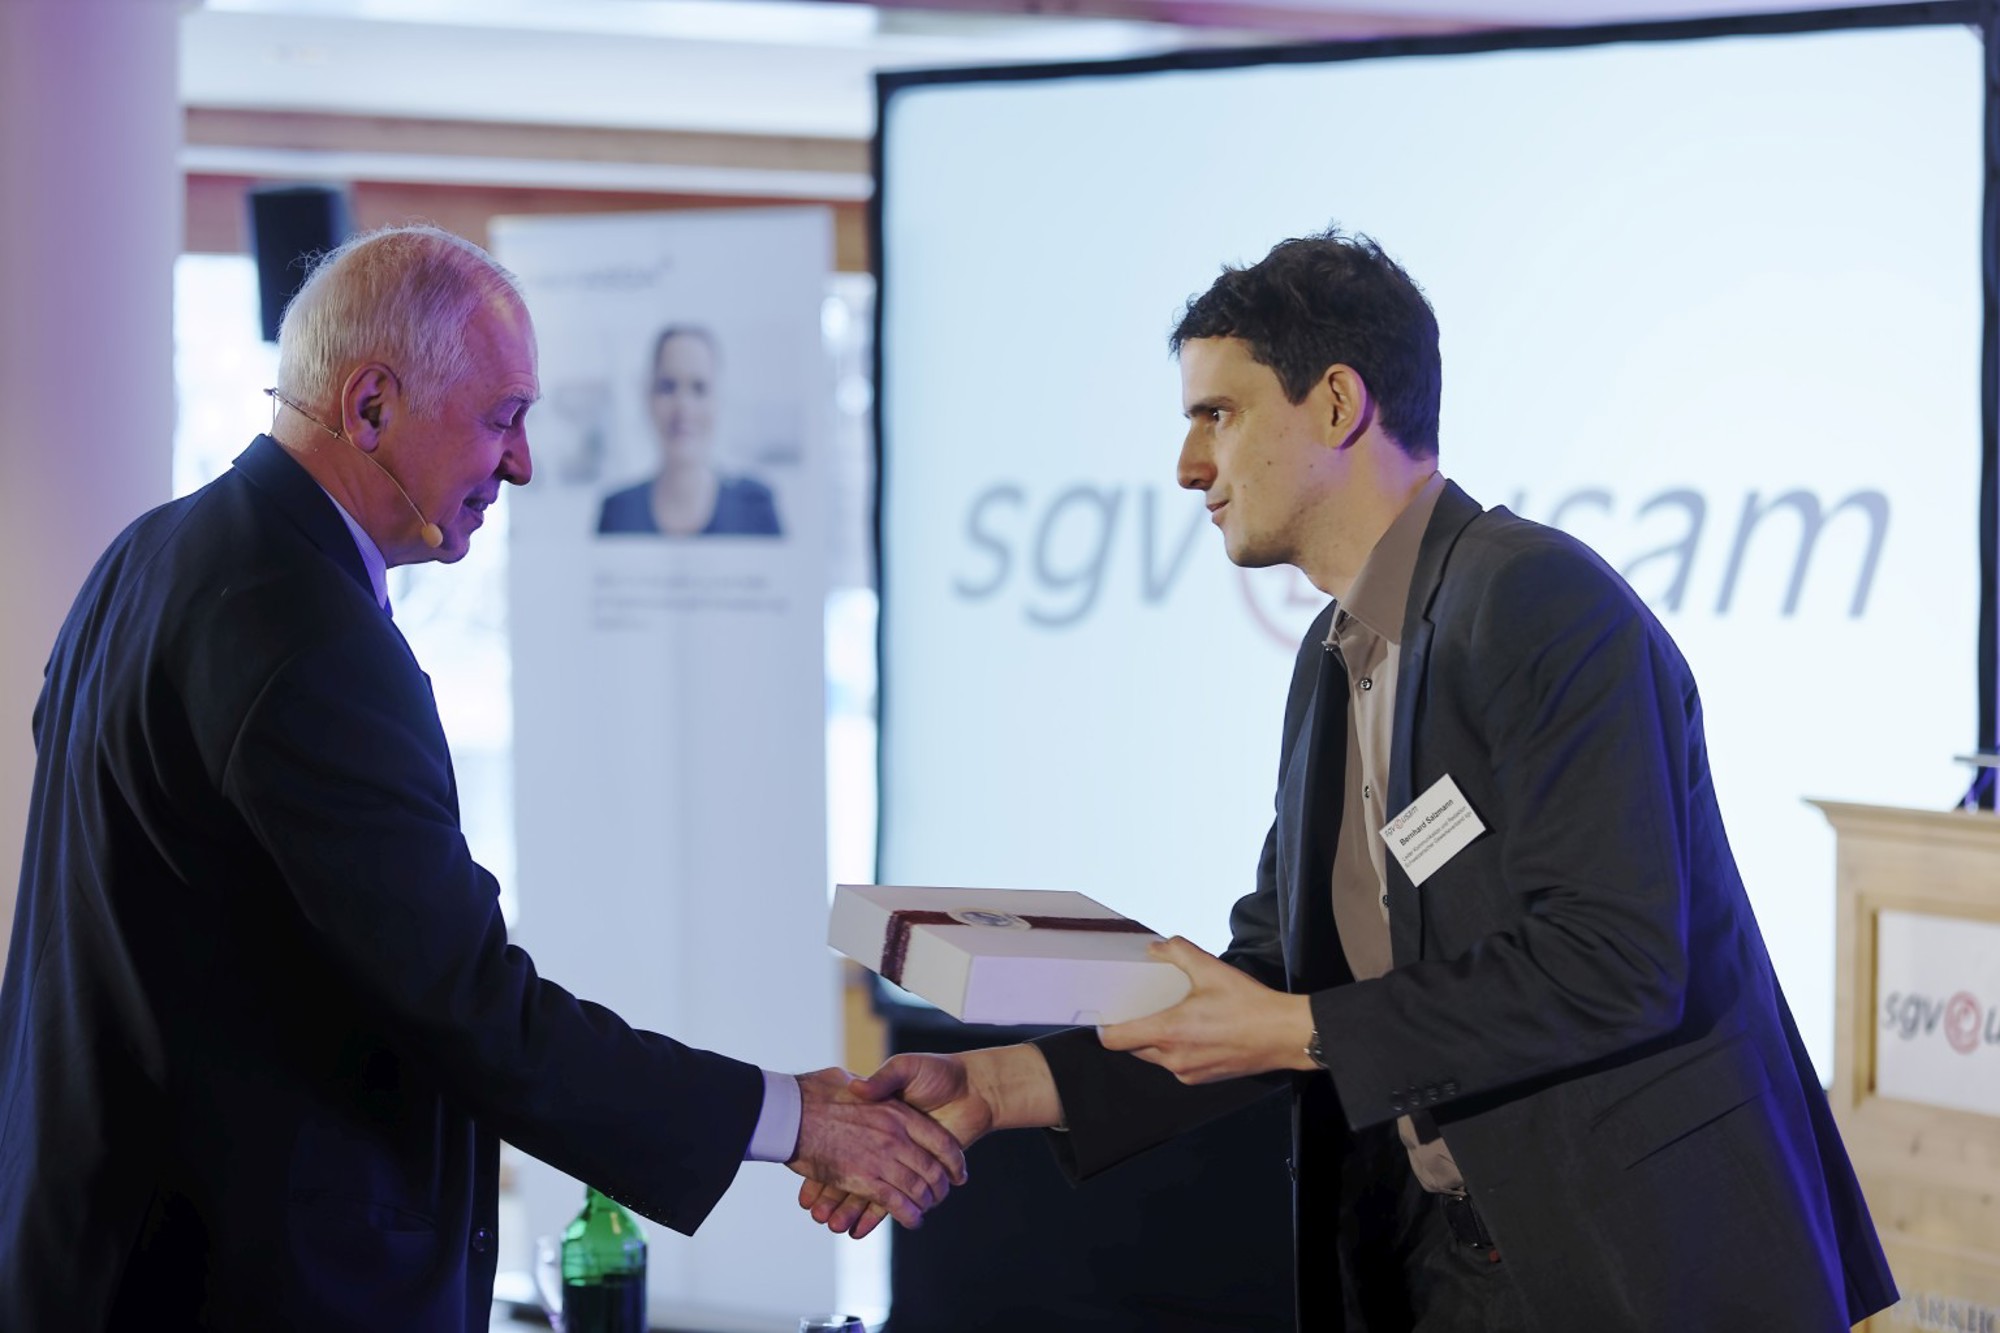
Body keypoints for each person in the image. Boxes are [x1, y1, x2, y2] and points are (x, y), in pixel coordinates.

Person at [804, 230, 1898, 1331]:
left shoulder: (1537, 600)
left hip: (1641, 1267)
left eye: (1218, 415)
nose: (1188, 467)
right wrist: (994, 1088)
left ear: (1335, 403)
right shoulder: (1330, 658)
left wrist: (1294, 1027)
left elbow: (1613, 962)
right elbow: (1273, 979)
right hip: (1442, 1268)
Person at [0, 225, 961, 1332]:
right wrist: (794, 1117)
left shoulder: (151, 553)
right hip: (234, 1284)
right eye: (503, 417)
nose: (522, 464)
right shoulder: (305, 631)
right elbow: (466, 1005)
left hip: (103, 1251)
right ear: (370, 406)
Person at [597, 325, 783, 536]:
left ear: (718, 400)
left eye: (699, 388)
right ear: (648, 398)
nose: (683, 407)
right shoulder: (617, 512)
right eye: (668, 387)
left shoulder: (756, 507)